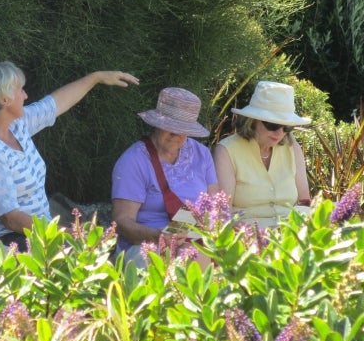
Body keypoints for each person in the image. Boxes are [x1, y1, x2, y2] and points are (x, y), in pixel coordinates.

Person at [0, 61, 139, 250]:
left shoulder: (15, 124)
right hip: (7, 240)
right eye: (20, 89)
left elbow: (54, 104)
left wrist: (96, 77)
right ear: (4, 99)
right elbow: (11, 219)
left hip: (36, 232)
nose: (25, 95)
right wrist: (68, 235)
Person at [111, 87, 218, 265]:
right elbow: (122, 222)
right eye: (170, 127)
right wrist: (158, 236)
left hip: (195, 237)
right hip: (145, 244)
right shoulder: (133, 160)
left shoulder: (202, 154)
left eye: (183, 130)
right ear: (156, 124)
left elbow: (214, 206)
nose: (176, 135)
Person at [213, 80, 312, 223]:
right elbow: (223, 211)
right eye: (272, 125)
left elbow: (304, 202)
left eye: (287, 127)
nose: (279, 133)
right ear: (252, 121)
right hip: (246, 234)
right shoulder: (227, 150)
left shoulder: (292, 147)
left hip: (289, 234)